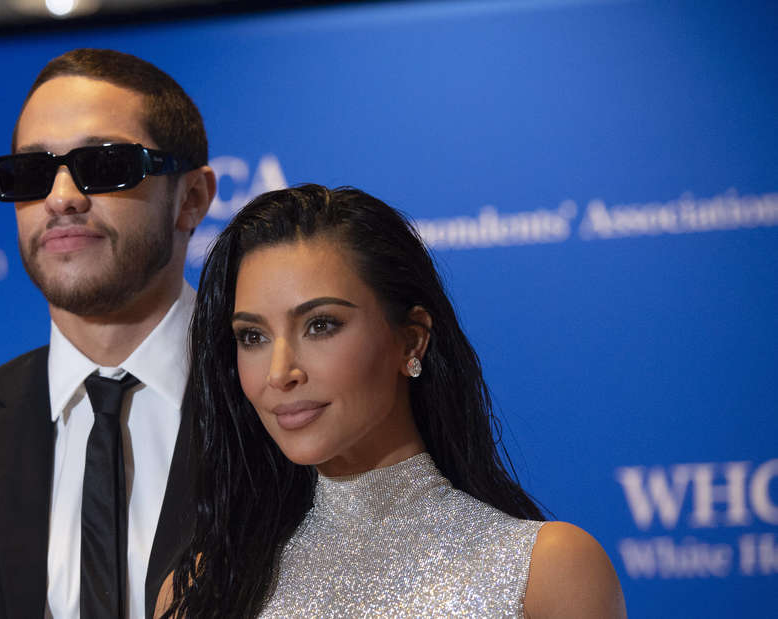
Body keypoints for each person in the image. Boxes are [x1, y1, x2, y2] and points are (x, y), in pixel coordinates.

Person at [159, 185, 625, 617]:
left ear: (411, 341)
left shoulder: (546, 572)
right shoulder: (203, 587)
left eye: (320, 325)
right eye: (253, 336)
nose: (280, 374)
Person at [0, 48, 216, 619]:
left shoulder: (278, 403)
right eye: (30, 174)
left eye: (103, 165)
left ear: (192, 198)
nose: (60, 198)